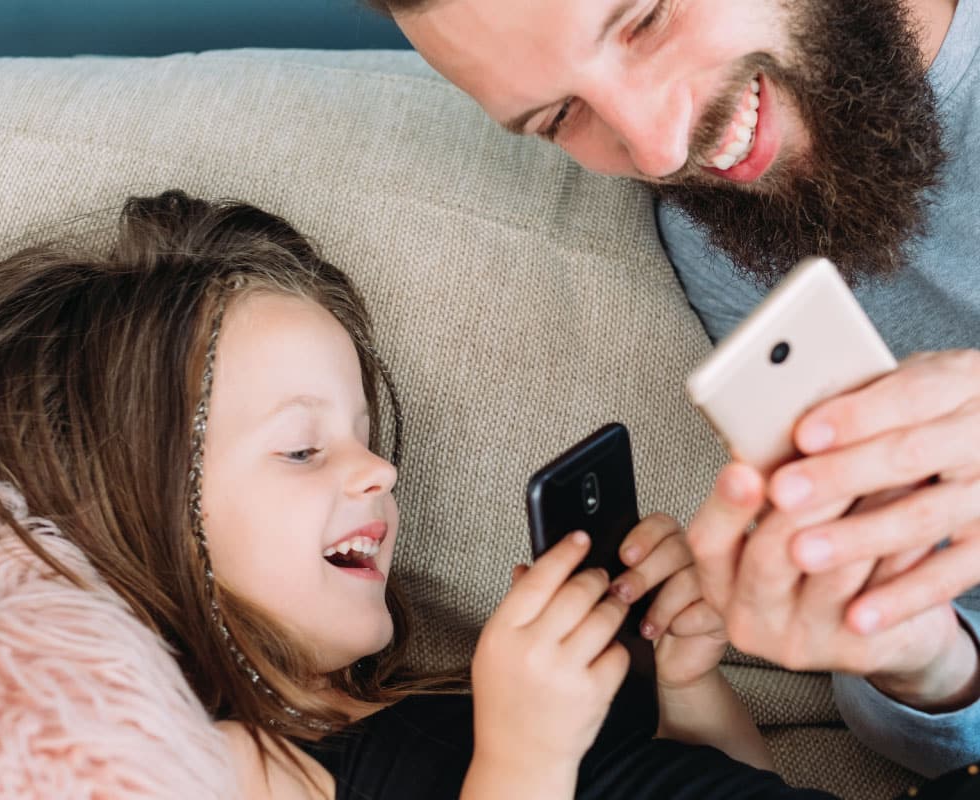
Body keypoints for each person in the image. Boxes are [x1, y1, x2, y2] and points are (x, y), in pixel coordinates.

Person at [0, 190, 850, 799]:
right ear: (129, 512)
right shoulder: (236, 768)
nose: (380, 471)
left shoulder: (450, 699)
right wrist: (522, 764)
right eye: (300, 448)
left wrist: (689, 688)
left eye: (365, 434)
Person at [374, 0, 980, 778]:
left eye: (645, 20)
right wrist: (917, 664)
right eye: (562, 116)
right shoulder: (732, 228)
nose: (659, 152)